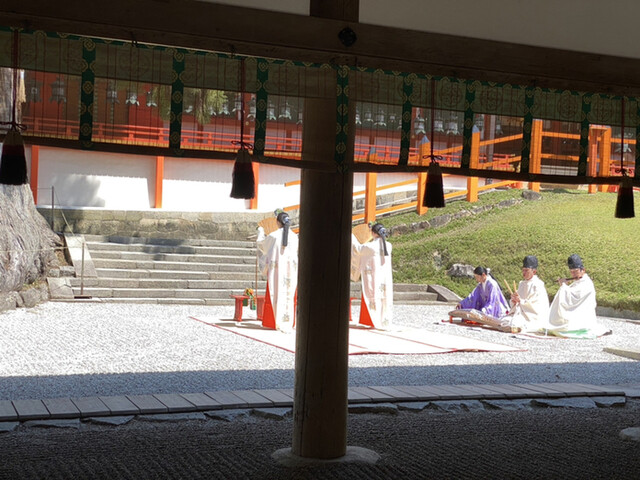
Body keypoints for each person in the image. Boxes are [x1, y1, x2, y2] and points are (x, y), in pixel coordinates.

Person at [546, 254, 610, 338]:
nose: (573, 274)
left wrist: (564, 286)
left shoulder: (587, 283)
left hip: (583, 317)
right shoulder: (578, 282)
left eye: (575, 271)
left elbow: (574, 298)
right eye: (571, 272)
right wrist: (564, 286)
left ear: (583, 270)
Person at [256, 210, 298, 332]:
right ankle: (288, 321)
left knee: (275, 292)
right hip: (290, 272)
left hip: (276, 272)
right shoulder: (295, 237)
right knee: (289, 295)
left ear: (278, 222)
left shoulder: (274, 236)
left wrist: (260, 232)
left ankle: (274, 321)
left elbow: (262, 246)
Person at [351, 222, 393, 330]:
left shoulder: (370, 247)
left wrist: (351, 237)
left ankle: (375, 320)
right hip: (385, 278)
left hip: (375, 277)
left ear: (373, 233)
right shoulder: (389, 246)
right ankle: (384, 321)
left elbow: (357, 249)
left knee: (373, 295)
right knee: (384, 297)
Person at [501, 255, 550, 333]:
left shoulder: (538, 285)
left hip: (532, 316)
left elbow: (537, 306)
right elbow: (517, 302)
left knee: (516, 323)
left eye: (526, 270)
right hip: (520, 313)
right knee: (505, 321)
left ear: (534, 271)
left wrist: (520, 301)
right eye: (523, 270)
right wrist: (514, 300)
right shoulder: (522, 284)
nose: (523, 273)